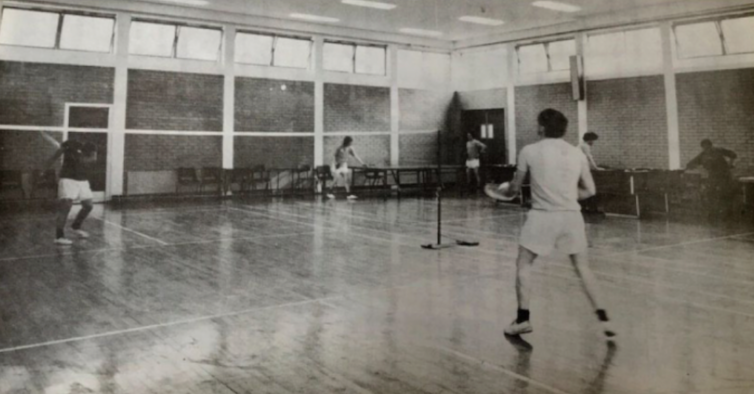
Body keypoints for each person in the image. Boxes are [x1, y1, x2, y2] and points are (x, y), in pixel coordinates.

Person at [500, 108, 615, 340]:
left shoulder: (529, 151)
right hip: (572, 217)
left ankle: (523, 320)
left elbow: (514, 189)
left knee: (524, 264)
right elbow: (590, 190)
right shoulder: (577, 154)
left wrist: (503, 190)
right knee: (583, 268)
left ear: (541, 127)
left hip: (543, 216)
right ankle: (605, 320)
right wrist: (567, 198)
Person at [45, 138, 98, 245]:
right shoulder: (70, 144)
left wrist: (78, 157)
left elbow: (91, 160)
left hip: (82, 180)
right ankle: (59, 236)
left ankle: (75, 227)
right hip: (68, 180)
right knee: (66, 208)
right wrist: (45, 169)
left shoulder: (91, 145)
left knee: (88, 206)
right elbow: (55, 156)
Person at [686, 139, 737, 216]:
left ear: (711, 146)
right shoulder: (702, 155)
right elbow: (690, 164)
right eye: (704, 148)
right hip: (713, 176)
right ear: (703, 148)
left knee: (726, 193)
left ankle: (728, 213)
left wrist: (730, 164)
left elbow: (733, 154)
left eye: (708, 147)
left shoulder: (719, 150)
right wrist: (697, 168)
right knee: (710, 193)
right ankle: (713, 213)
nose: (707, 150)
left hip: (724, 175)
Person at [579, 132, 604, 214]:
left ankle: (584, 208)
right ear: (589, 140)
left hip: (579, 169)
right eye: (593, 140)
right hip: (580, 170)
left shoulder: (581, 145)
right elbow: (589, 157)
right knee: (589, 189)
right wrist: (596, 168)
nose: (593, 142)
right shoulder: (585, 146)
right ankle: (591, 209)